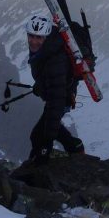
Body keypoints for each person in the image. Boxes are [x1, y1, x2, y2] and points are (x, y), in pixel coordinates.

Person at [25, 14, 84, 165]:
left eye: (39, 37)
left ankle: (37, 167)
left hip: (61, 98)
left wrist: (46, 145)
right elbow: (47, 75)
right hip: (58, 94)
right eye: (31, 36)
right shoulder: (46, 49)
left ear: (46, 36)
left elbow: (56, 104)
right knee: (50, 128)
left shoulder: (54, 61)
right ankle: (75, 148)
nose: (34, 41)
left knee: (39, 135)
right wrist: (41, 85)